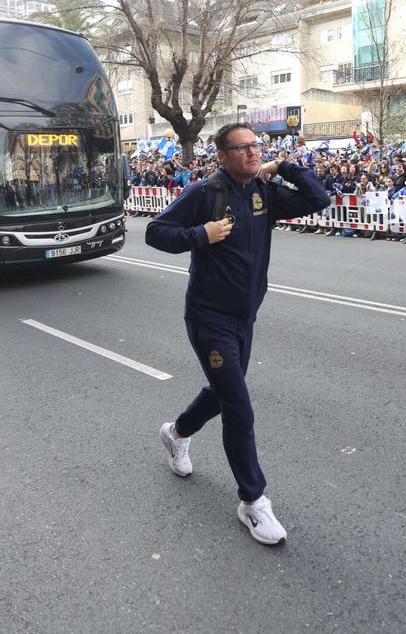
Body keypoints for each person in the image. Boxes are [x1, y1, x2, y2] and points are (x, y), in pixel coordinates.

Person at [146, 123, 330, 546]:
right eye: (243, 147)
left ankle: (175, 433)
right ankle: (252, 502)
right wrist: (201, 235)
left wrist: (284, 165)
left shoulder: (264, 192)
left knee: (222, 391)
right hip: (209, 318)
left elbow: (317, 199)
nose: (252, 153)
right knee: (239, 407)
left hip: (244, 317)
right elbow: (157, 231)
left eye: (256, 147)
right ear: (223, 156)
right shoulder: (206, 193)